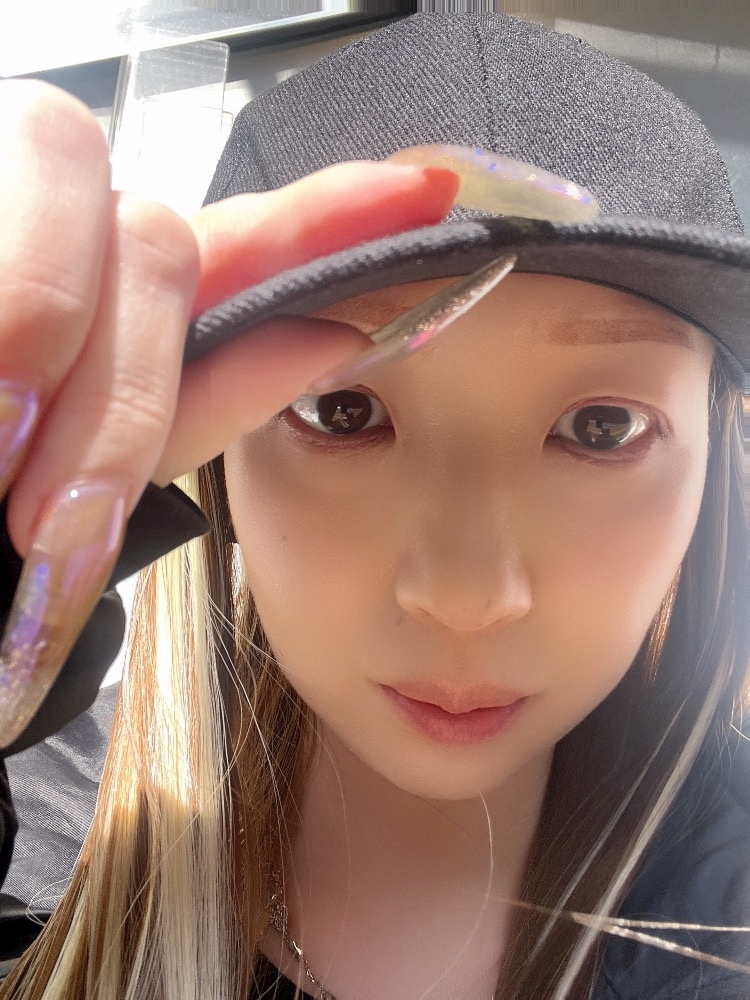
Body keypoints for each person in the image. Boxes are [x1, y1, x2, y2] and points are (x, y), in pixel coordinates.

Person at [0, 12, 749, 1000]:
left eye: (602, 427)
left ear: (713, 460)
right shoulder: (37, 832)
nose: (467, 598)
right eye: (342, 411)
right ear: (220, 454)